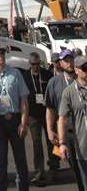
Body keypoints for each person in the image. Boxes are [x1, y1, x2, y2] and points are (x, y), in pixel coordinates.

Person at [0, 45, 30, 191]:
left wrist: (23, 123)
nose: (1, 56)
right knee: (0, 160)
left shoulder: (15, 73)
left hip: (15, 119)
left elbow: (24, 100)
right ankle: (1, 188)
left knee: (20, 159)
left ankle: (22, 187)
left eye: (2, 53)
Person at [45, 49, 83, 188]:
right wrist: (50, 130)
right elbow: (49, 109)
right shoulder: (54, 83)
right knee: (75, 168)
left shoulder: (82, 79)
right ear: (60, 63)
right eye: (66, 61)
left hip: (82, 129)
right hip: (66, 133)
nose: (69, 63)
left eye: (71, 60)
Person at [22, 51, 57, 186]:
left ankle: (55, 166)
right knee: (37, 143)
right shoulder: (25, 76)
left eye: (37, 64)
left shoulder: (47, 75)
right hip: (33, 115)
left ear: (40, 64)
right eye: (33, 64)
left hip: (48, 112)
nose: (35, 66)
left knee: (53, 140)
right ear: (29, 64)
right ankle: (39, 171)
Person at [58, 54, 87, 190]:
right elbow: (62, 119)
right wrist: (62, 143)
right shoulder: (69, 92)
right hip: (83, 148)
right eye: (84, 68)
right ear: (76, 70)